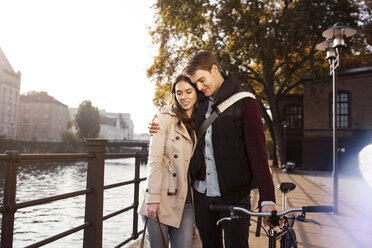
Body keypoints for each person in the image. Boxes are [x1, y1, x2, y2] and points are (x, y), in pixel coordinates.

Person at [149, 50, 276, 248]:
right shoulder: (199, 102)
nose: (199, 87)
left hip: (234, 196)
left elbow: (258, 153)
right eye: (195, 83)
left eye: (202, 80)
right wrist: (157, 123)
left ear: (214, 69)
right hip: (201, 197)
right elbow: (175, 113)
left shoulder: (246, 103)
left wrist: (267, 199)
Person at [138, 74, 199, 248]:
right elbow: (155, 160)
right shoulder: (163, 118)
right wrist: (152, 198)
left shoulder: (200, 120)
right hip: (161, 199)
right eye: (179, 93)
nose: (184, 97)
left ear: (196, 93)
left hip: (186, 201)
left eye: (188, 91)